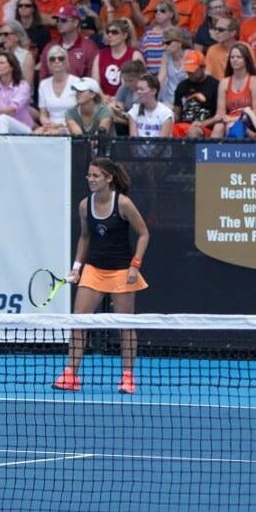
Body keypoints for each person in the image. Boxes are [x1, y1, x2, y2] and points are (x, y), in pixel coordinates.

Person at [54, 158, 150, 396]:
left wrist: (134, 266)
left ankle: (128, 377)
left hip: (121, 271)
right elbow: (85, 237)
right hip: (94, 270)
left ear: (109, 179)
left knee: (125, 326)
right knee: (78, 322)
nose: (91, 180)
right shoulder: (85, 206)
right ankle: (71, 375)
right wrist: (77, 267)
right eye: (89, 175)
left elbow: (144, 233)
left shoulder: (124, 204)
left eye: (96, 176)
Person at [172, 51, 222, 138]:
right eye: (187, 71)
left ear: (203, 68)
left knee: (193, 132)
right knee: (168, 129)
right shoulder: (182, 86)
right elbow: (177, 113)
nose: (190, 74)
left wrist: (201, 124)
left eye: (193, 71)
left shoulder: (215, 85)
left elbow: (219, 116)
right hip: (183, 125)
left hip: (205, 127)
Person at [124, 73, 174, 137]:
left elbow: (162, 143)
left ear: (153, 91)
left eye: (142, 89)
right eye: (138, 89)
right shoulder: (134, 110)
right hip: (138, 146)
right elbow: (134, 141)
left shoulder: (166, 113)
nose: (138, 92)